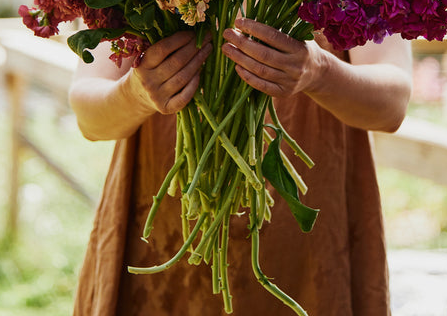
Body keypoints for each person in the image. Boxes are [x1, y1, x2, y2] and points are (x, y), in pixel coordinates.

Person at [69, 17, 413, 316]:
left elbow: (392, 104)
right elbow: (89, 117)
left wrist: (320, 72)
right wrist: (136, 94)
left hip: (308, 248)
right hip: (162, 233)